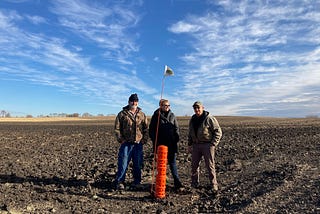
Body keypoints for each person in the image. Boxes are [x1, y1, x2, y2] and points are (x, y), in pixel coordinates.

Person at [114, 93, 148, 190]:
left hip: (138, 144)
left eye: (136, 101)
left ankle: (137, 182)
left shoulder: (142, 114)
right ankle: (120, 182)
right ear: (129, 102)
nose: (134, 102)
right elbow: (117, 128)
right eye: (132, 101)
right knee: (123, 163)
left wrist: (144, 140)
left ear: (137, 102)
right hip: (126, 144)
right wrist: (121, 139)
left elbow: (146, 129)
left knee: (137, 163)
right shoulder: (122, 114)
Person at [188, 101, 222, 193]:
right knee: (194, 165)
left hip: (207, 145)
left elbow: (218, 131)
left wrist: (213, 144)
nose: (197, 110)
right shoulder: (193, 119)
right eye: (195, 108)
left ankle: (213, 184)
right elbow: (190, 133)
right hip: (196, 145)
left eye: (198, 108)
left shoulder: (209, 118)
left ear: (203, 108)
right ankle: (194, 183)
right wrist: (190, 144)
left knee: (210, 165)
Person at [149, 99, 183, 190]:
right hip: (160, 145)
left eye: (168, 105)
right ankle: (159, 183)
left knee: (173, 163)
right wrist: (155, 140)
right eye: (165, 105)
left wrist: (176, 138)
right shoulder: (156, 116)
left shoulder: (172, 115)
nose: (167, 107)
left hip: (171, 144)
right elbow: (151, 130)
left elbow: (177, 128)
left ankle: (177, 182)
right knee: (160, 164)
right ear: (160, 106)